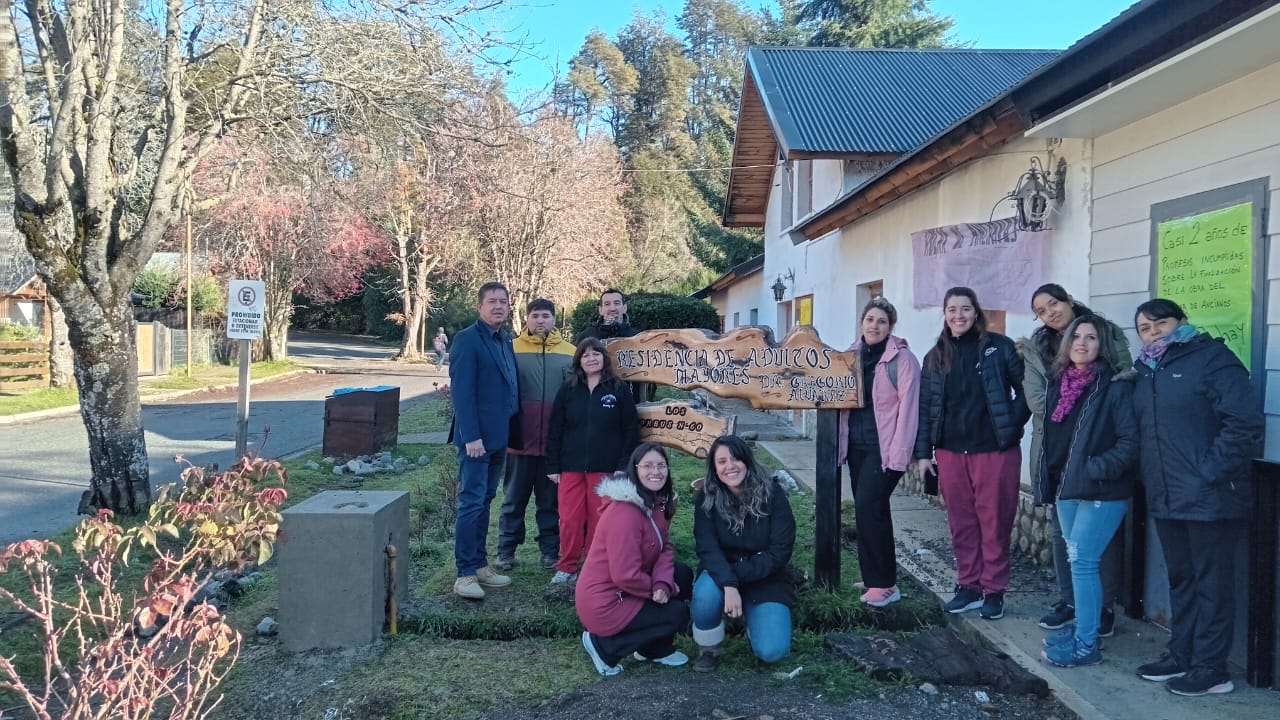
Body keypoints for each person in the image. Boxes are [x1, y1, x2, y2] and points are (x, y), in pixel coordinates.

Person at [1130, 299, 1263, 697]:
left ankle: (1212, 668)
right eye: (1144, 328)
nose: (1154, 332)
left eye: (1161, 323)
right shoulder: (1146, 371)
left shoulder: (1212, 359)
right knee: (1182, 580)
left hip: (1210, 496)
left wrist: (1209, 473)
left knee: (1213, 584)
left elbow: (1244, 423)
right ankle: (1181, 654)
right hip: (1167, 494)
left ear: (1182, 322)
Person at [1017, 284, 1130, 635]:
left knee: (1100, 541)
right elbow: (1037, 401)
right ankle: (1069, 601)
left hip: (1097, 451)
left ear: (1067, 300)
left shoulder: (1103, 332)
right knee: (1060, 533)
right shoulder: (1038, 348)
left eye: (1054, 303)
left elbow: (1122, 379)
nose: (1050, 312)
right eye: (1041, 309)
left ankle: (1103, 608)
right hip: (1055, 450)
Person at [914, 286, 1030, 621]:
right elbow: (926, 408)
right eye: (952, 310)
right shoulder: (935, 356)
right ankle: (969, 585)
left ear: (976, 312)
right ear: (945, 314)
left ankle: (994, 590)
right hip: (950, 452)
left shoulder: (999, 348)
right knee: (961, 523)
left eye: (965, 309)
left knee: (994, 522)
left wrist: (1010, 424)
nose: (958, 316)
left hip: (994, 451)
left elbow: (1027, 391)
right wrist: (924, 455)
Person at [1036, 316, 1138, 668]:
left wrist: (1095, 469)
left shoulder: (1115, 386)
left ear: (1102, 346)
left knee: (1083, 562)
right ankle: (1084, 628)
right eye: (1076, 336)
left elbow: (1130, 443)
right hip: (1066, 487)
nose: (1082, 342)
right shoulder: (1059, 382)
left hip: (1100, 489)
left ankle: (1087, 644)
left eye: (1091, 337)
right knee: (1077, 560)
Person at [576, 443, 692, 676]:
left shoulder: (654, 502)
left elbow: (664, 546)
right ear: (634, 470)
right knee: (677, 613)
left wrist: (662, 584)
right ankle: (604, 647)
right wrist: (657, 591)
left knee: (683, 574)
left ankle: (653, 649)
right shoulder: (625, 513)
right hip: (605, 601)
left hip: (625, 588)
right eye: (647, 466)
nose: (655, 471)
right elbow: (624, 575)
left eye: (661, 465)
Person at [836, 297, 920, 607]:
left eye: (882, 321)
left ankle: (884, 585)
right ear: (862, 323)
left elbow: (909, 411)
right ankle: (876, 576)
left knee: (869, 511)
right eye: (870, 320)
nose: (875, 326)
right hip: (857, 447)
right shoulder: (849, 355)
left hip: (884, 451)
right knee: (872, 512)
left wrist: (899, 456)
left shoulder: (903, 361)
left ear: (890, 327)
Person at [691, 435, 796, 672]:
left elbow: (779, 552)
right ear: (714, 468)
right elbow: (707, 547)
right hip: (721, 572)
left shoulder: (773, 493)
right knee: (706, 593)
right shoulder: (706, 498)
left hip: (766, 575)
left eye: (736, 458)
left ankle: (754, 622)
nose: (730, 466)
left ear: (747, 460)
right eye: (722, 461)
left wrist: (734, 578)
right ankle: (709, 648)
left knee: (772, 652)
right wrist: (728, 583)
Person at [545, 338, 640, 584]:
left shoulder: (618, 388)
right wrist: (553, 465)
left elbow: (630, 428)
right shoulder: (568, 389)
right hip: (571, 467)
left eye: (595, 353)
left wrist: (623, 465)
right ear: (579, 360)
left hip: (606, 468)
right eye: (585, 355)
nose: (590, 358)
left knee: (600, 519)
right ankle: (566, 566)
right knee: (569, 520)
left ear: (603, 358)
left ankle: (593, 565)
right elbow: (555, 428)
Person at [447, 283, 519, 600]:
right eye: (492, 301)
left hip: (498, 438)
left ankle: (479, 566)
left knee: (485, 501)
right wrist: (472, 435)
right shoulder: (467, 340)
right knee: (472, 502)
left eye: (503, 301)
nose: (498, 306)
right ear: (480, 306)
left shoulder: (504, 340)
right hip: (476, 440)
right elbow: (462, 394)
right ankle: (464, 574)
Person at [496, 299, 575, 573]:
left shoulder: (570, 353)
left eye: (545, 316)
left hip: (554, 445)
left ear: (554, 320)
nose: (540, 320)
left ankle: (549, 552)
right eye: (535, 316)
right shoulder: (511, 349)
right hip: (519, 440)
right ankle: (506, 550)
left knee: (550, 503)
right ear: (526, 319)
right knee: (513, 499)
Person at [577, 288, 650, 403]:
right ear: (601, 310)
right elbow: (577, 371)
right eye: (607, 304)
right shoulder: (587, 336)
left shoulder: (637, 337)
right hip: (594, 401)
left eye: (617, 303)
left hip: (629, 402)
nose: (612, 308)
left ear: (624, 307)